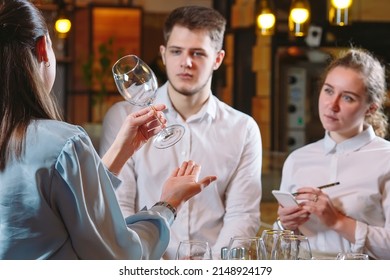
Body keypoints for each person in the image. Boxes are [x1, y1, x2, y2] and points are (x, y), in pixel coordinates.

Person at [0, 0, 216, 260]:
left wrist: (117, 155)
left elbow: (65, 207)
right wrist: (168, 204)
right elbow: (119, 257)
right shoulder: (64, 144)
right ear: (44, 48)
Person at [100, 5, 262, 259]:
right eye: (176, 51)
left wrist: (209, 266)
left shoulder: (243, 128)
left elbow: (243, 215)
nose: (186, 62)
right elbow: (117, 205)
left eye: (197, 53)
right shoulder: (125, 118)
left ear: (218, 59)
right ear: (163, 55)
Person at [276, 48, 390, 260]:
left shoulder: (386, 160)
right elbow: (285, 245)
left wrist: (337, 221)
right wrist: (286, 225)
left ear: (371, 109)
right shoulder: (297, 159)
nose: (332, 105)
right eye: (328, 91)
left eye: (348, 98)